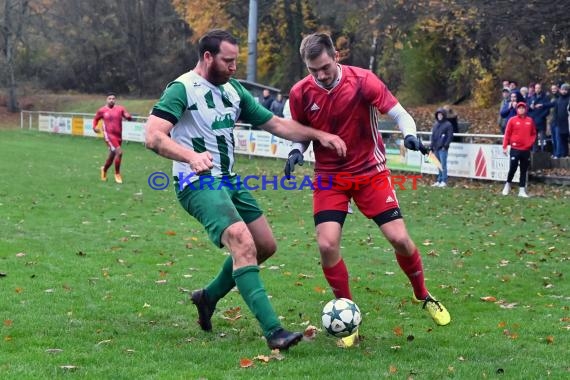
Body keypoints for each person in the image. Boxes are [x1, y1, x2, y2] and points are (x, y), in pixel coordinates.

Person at [143, 29, 346, 351]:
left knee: (265, 245)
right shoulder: (182, 89)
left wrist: (318, 135)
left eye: (236, 60)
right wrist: (190, 156)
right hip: (196, 181)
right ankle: (274, 332)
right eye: (228, 61)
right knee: (241, 241)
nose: (234, 67)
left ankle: (207, 297)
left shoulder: (234, 90)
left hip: (229, 179)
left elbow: (277, 124)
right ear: (208, 57)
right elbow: (153, 136)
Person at [284, 33, 451, 348]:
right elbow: (300, 132)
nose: (320, 75)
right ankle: (349, 318)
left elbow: (399, 113)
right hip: (330, 177)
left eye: (324, 67)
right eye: (312, 69)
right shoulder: (300, 93)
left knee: (400, 239)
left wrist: (410, 135)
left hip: (370, 173)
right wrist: (296, 151)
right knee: (327, 245)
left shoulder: (363, 80)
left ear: (336, 55)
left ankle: (423, 295)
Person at [93, 92, 132, 184]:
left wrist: (128, 117)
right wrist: (94, 127)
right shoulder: (102, 110)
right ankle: (117, 174)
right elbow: (96, 119)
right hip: (109, 135)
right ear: (106, 100)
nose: (111, 100)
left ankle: (104, 169)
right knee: (119, 152)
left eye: (113, 98)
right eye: (109, 98)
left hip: (118, 136)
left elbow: (128, 116)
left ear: (115, 100)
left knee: (112, 155)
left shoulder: (120, 109)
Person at [501, 102, 536, 198]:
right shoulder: (512, 120)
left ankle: (521, 190)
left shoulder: (530, 120)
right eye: (519, 108)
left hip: (526, 149)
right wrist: (504, 146)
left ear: (525, 109)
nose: (521, 109)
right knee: (513, 167)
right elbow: (507, 134)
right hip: (515, 148)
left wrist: (530, 143)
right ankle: (507, 184)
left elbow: (533, 133)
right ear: (517, 109)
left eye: (523, 108)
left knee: (524, 170)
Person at [430, 108, 454, 187]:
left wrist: (445, 146)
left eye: (441, 115)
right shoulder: (436, 124)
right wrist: (431, 146)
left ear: (444, 115)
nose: (439, 116)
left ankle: (444, 180)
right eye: (438, 115)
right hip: (436, 148)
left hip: (443, 148)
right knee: (438, 164)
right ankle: (439, 180)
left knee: (443, 165)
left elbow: (450, 136)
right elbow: (433, 136)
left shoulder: (448, 124)